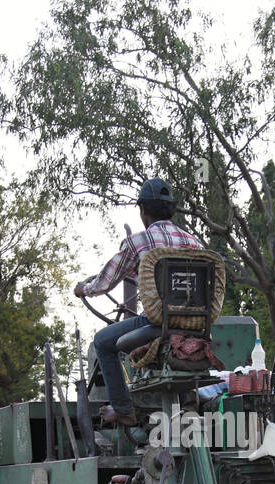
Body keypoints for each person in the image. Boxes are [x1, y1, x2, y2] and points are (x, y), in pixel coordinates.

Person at [75, 178, 202, 426]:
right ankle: (187, 398)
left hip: (157, 321)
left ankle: (124, 409)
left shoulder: (138, 242)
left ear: (143, 210)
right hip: (193, 323)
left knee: (102, 342)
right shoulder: (192, 242)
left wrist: (84, 289)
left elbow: (105, 281)